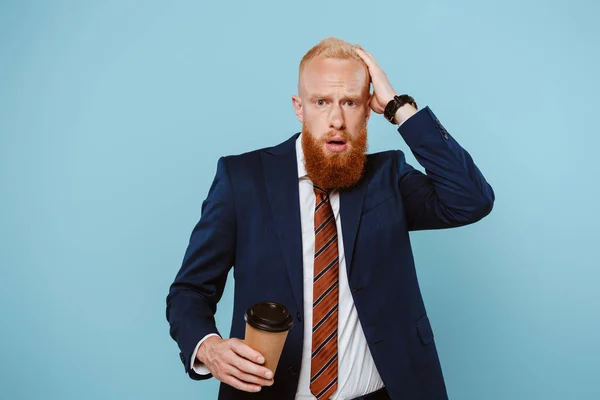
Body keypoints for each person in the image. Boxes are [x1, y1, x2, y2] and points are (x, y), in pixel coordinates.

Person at [166, 37, 494, 400]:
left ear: (368, 111)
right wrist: (208, 347)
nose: (336, 120)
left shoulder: (388, 177)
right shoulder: (242, 179)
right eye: (321, 102)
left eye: (350, 102)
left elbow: (471, 200)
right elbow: (190, 290)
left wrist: (401, 108)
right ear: (299, 107)